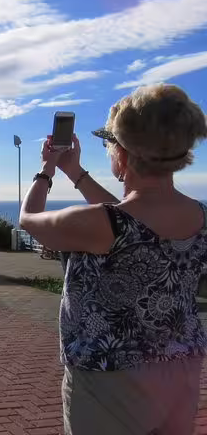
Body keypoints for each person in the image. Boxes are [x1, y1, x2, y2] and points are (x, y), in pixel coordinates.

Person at [19, 83, 207, 435]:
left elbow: (29, 220)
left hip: (110, 374)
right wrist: (75, 173)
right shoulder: (200, 216)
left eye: (109, 144)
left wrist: (47, 169)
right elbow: (129, 215)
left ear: (123, 153)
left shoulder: (101, 224)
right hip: (182, 367)